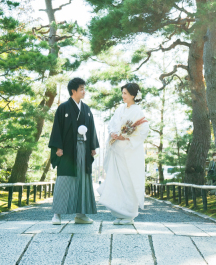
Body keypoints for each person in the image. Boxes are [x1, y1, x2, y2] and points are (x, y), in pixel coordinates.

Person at [48, 77, 100, 225]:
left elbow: (92, 129)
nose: (84, 91)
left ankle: (81, 214)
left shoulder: (86, 109)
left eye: (84, 88)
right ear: (73, 91)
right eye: (81, 89)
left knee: (83, 180)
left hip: (83, 149)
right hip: (67, 150)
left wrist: (92, 147)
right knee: (65, 180)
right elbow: (57, 129)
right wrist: (58, 147)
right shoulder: (63, 108)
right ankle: (57, 214)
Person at [97, 82, 150, 225]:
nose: (123, 96)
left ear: (133, 95)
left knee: (128, 182)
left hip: (129, 152)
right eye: (122, 93)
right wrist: (113, 133)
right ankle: (120, 213)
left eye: (125, 93)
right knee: (116, 182)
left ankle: (129, 214)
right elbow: (112, 124)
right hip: (117, 151)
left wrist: (126, 137)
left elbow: (144, 129)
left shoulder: (137, 110)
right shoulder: (120, 109)